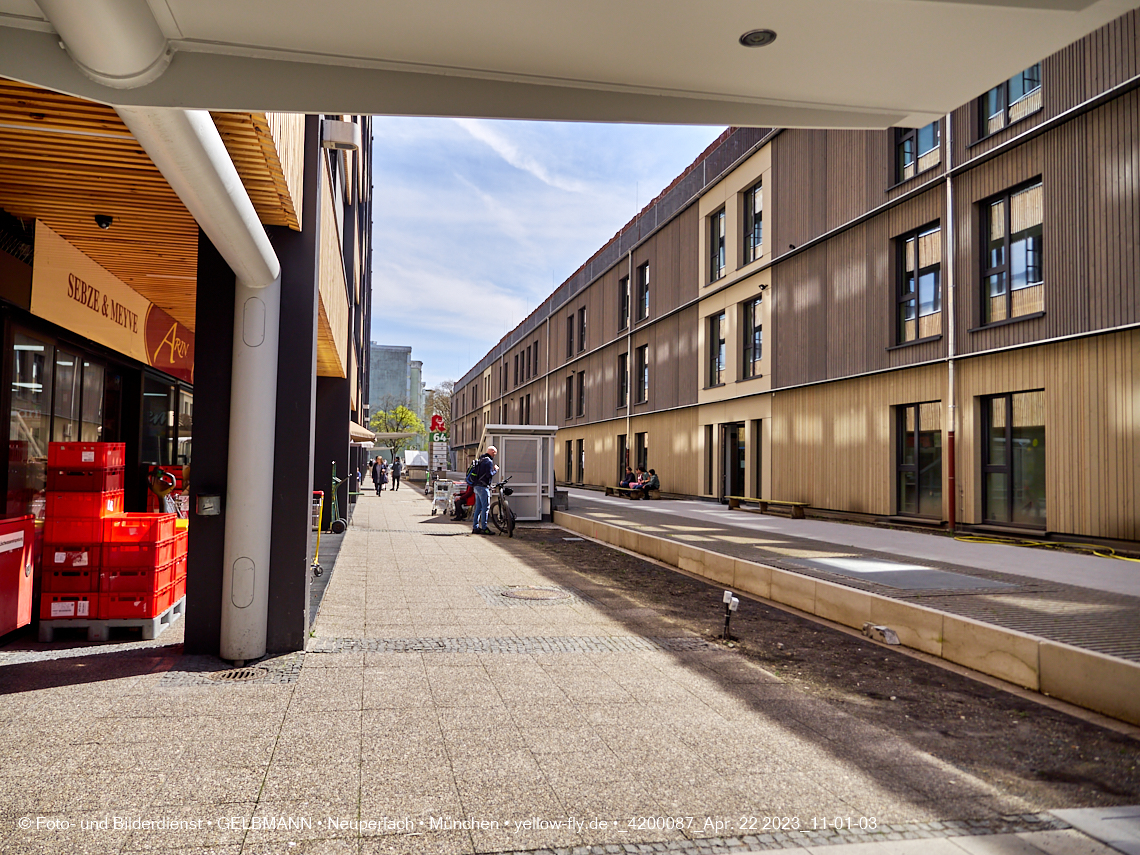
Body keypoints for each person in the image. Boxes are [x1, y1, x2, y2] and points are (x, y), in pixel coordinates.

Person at [470, 445, 497, 534]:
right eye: (495, 453)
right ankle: (484, 528)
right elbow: (489, 475)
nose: (495, 455)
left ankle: (475, 527)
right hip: (483, 487)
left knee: (478, 508)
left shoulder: (481, 459)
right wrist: (495, 470)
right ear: (492, 452)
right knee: (486, 508)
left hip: (476, 486)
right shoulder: (488, 461)